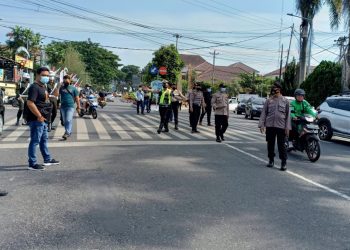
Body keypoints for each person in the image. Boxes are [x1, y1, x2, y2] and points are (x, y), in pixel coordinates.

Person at [26, 67, 60, 170]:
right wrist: (39, 116)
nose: (46, 77)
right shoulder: (34, 87)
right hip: (37, 119)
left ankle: (47, 159)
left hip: (44, 118)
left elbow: (45, 100)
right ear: (37, 75)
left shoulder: (43, 86)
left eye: (47, 75)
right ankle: (32, 163)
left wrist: (57, 88)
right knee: (35, 141)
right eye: (44, 75)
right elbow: (30, 103)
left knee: (44, 140)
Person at [258, 82, 291, 171]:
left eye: (275, 88)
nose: (273, 89)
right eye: (273, 88)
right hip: (270, 126)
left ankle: (283, 162)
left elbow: (288, 116)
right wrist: (261, 124)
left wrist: (287, 128)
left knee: (282, 145)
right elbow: (264, 113)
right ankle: (271, 160)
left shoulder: (285, 101)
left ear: (279, 89)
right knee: (270, 144)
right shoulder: (269, 100)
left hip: (281, 127)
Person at [59, 75, 80, 140]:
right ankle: (68, 132)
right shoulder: (61, 88)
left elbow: (77, 98)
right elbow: (58, 95)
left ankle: (67, 132)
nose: (66, 80)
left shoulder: (73, 88)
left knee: (68, 119)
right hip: (62, 106)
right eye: (65, 79)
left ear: (70, 80)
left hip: (70, 106)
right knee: (65, 121)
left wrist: (78, 107)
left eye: (68, 79)